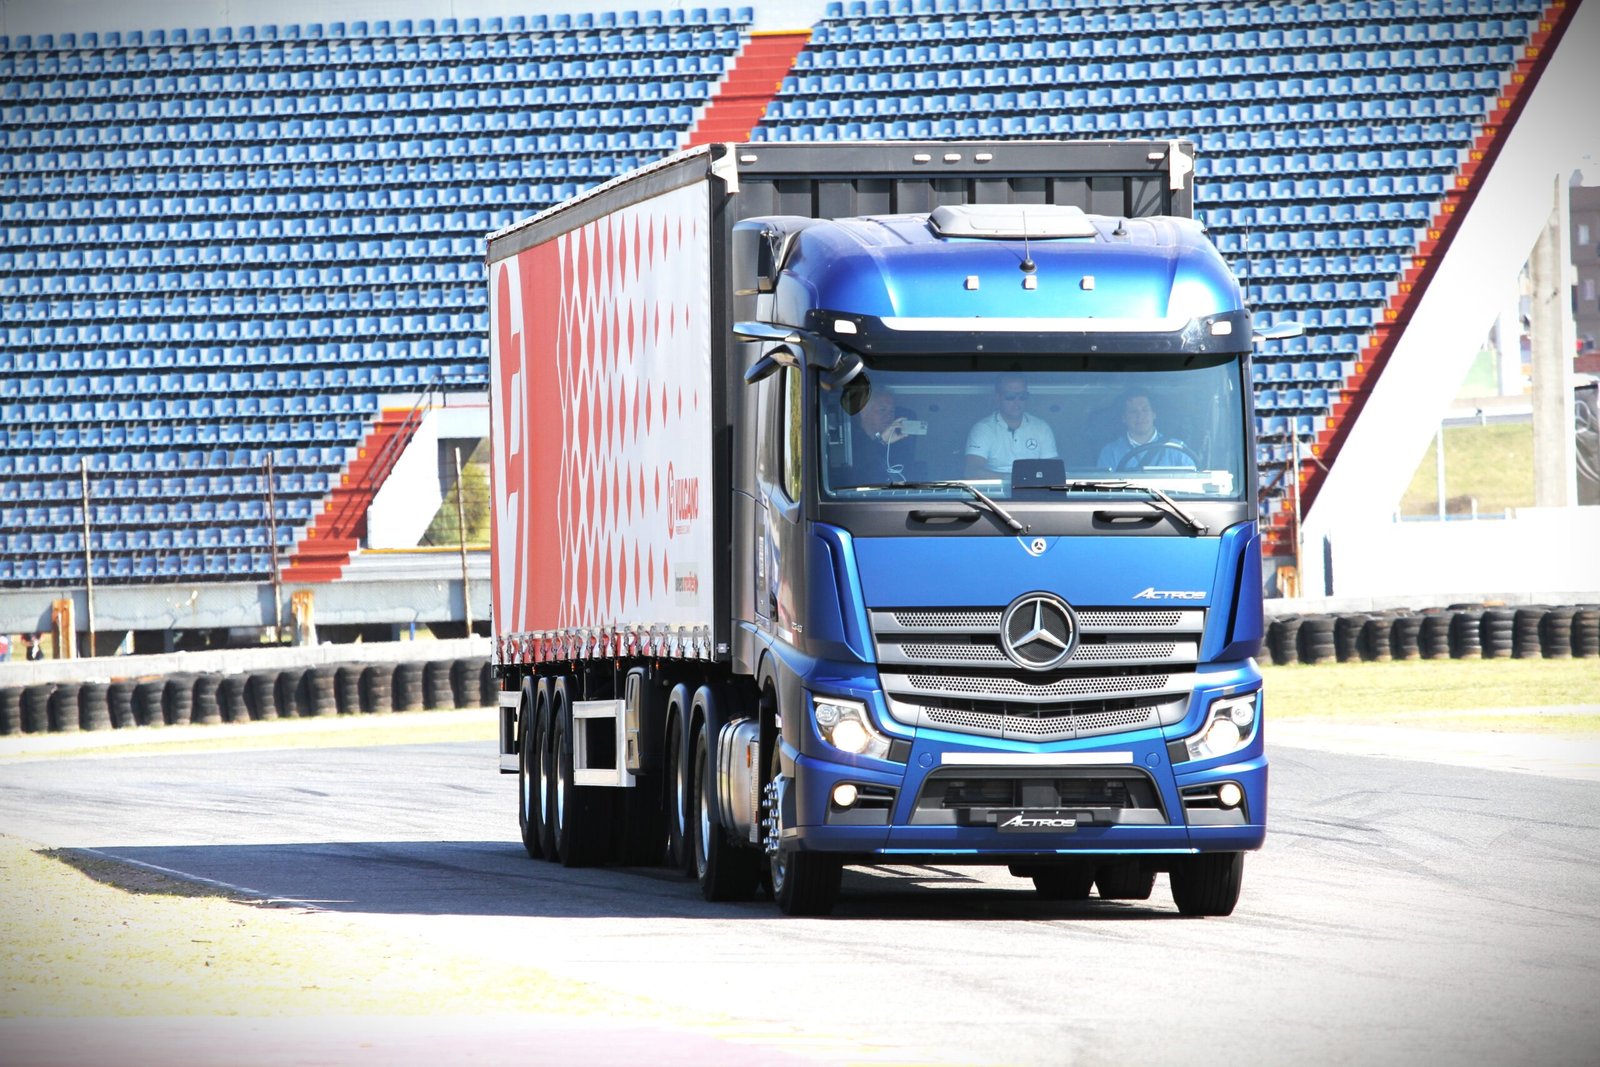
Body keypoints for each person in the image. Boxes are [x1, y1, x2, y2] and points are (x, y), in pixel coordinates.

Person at [965, 374, 1057, 477]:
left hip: (1034, 486)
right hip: (994, 487)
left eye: (1022, 396)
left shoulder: (1041, 427)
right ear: (997, 398)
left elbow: (1052, 471)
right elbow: (972, 472)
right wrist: (1013, 479)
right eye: (1010, 397)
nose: (1017, 402)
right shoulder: (983, 429)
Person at [839, 384, 918, 485]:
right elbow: (858, 472)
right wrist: (881, 441)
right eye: (882, 410)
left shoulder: (897, 446)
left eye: (892, 411)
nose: (888, 415)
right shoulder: (849, 442)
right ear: (864, 412)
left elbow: (908, 476)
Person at [1097, 391, 1195, 471]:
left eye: (1145, 410)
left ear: (1154, 414)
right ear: (1124, 418)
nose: (1140, 416)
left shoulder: (1177, 448)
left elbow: (1192, 482)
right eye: (1133, 411)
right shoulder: (1110, 452)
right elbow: (1104, 487)